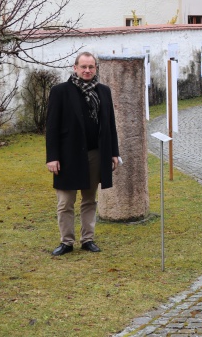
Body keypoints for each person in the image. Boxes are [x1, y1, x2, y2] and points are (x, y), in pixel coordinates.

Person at [46, 52, 120, 256]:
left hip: (96, 154)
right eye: (83, 67)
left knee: (89, 200)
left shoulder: (103, 91)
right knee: (65, 202)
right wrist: (52, 157)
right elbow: (51, 127)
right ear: (75, 67)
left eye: (91, 67)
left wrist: (113, 153)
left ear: (96, 68)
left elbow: (110, 125)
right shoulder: (60, 91)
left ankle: (88, 239)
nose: (87, 71)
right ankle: (66, 242)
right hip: (67, 156)